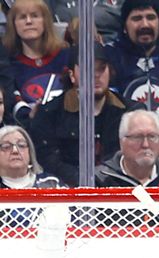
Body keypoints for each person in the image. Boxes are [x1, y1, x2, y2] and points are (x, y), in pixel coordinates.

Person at [29, 44, 141, 187]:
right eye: (88, 68)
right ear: (72, 75)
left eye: (101, 68)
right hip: (68, 194)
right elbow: (48, 162)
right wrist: (89, 182)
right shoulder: (49, 114)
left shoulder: (132, 113)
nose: (96, 75)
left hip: (122, 191)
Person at [3, 0, 70, 126]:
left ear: (45, 21)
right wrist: (29, 114)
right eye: (22, 17)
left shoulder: (66, 56)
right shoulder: (8, 64)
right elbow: (11, 102)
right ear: (14, 24)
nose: (29, 21)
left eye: (35, 16)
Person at [94, 109, 159, 187]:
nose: (145, 145)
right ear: (122, 142)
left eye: (152, 136)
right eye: (137, 137)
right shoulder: (98, 180)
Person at [0, 125, 61, 189]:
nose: (15, 151)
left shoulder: (51, 183)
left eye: (21, 145)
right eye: (6, 147)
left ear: (30, 152)